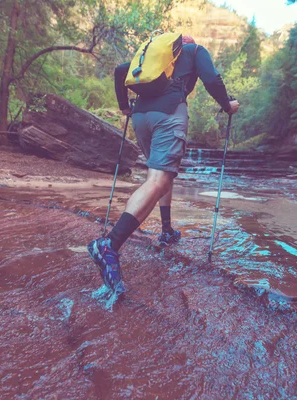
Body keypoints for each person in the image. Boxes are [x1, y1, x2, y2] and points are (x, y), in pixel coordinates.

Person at [88, 34, 239, 293]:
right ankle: (109, 245)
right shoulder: (195, 50)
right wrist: (227, 104)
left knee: (160, 177)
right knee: (158, 180)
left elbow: (121, 70)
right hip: (169, 114)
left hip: (141, 117)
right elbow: (212, 79)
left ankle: (167, 230)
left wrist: (125, 107)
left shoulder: (152, 56)